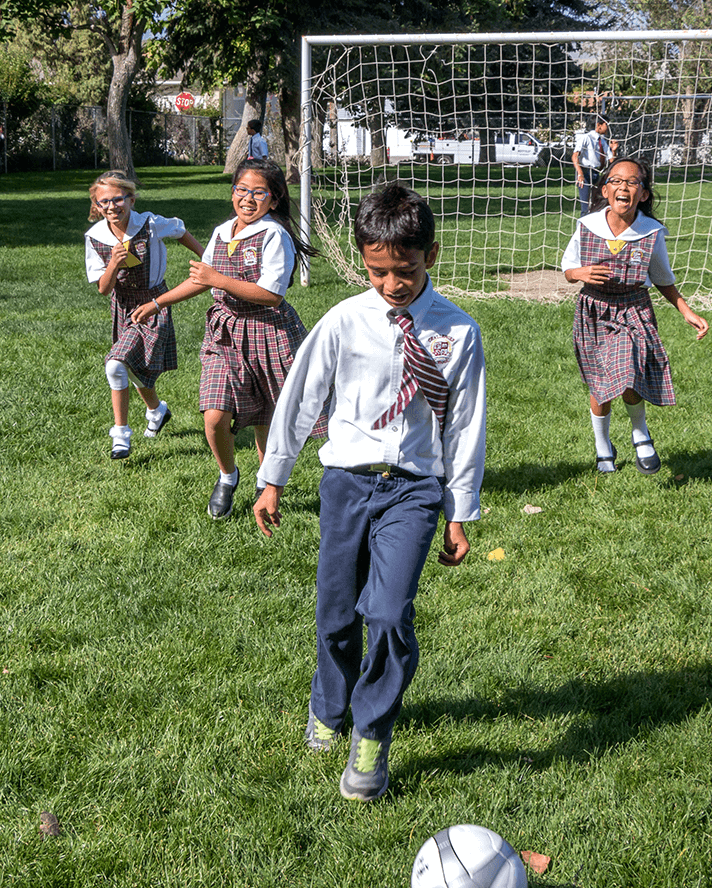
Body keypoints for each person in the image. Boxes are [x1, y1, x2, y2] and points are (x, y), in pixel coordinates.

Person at [251, 182, 486, 802]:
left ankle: (372, 733)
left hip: (413, 490)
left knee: (386, 613)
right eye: (378, 272)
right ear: (363, 260)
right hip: (346, 484)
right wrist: (273, 477)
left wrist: (459, 510)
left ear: (431, 256)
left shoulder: (458, 332)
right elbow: (300, 398)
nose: (392, 284)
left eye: (405, 271)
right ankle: (329, 706)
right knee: (336, 613)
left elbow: (465, 426)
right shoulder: (344, 321)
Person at [132, 158, 319, 519]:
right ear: (232, 192)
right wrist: (158, 302)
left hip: (269, 333)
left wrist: (217, 279)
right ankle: (227, 476)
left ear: (274, 199)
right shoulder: (222, 231)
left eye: (258, 193)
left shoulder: (274, 235)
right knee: (215, 414)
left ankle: (266, 481)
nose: (248, 198)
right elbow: (202, 279)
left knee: (266, 417)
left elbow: (272, 295)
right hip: (226, 333)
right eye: (241, 189)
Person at [562, 157, 709, 475]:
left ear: (643, 194)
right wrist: (579, 273)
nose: (623, 187)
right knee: (600, 384)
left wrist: (686, 311)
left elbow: (662, 278)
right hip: (594, 310)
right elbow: (568, 269)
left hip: (633, 309)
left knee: (628, 371)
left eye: (631, 182)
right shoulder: (587, 226)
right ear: (605, 190)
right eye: (616, 180)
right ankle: (603, 447)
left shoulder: (651, 233)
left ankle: (640, 434)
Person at [83, 170, 205, 460]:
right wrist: (113, 264)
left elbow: (180, 230)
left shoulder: (150, 224)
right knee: (130, 367)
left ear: (131, 199)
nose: (112, 206)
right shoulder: (95, 237)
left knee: (116, 365)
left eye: (118, 199)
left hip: (153, 304)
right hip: (122, 305)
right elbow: (103, 289)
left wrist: (208, 258)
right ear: (96, 206)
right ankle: (156, 411)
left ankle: (120, 435)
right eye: (104, 202)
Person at [573, 116, 618, 214]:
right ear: (599, 125)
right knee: (585, 207)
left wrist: (614, 150)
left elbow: (612, 160)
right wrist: (580, 173)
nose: (608, 127)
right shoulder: (586, 138)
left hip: (596, 173)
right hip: (585, 173)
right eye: (606, 124)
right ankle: (582, 223)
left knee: (596, 205)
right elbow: (575, 156)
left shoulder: (602, 141)